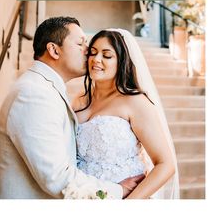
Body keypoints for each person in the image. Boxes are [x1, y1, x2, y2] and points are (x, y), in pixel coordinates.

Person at [0, 17, 143, 199]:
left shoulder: (46, 89)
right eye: (81, 44)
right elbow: (56, 177)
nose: (88, 51)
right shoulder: (34, 95)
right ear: (54, 50)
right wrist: (117, 190)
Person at [73, 29, 180, 199]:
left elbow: (166, 165)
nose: (96, 59)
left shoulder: (135, 102)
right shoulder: (79, 100)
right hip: (84, 196)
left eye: (107, 55)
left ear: (121, 61)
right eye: (93, 53)